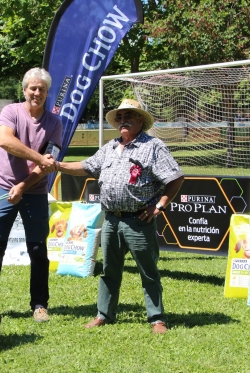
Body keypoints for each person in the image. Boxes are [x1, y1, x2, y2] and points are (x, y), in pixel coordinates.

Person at [57, 99, 184, 334]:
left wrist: (161, 204)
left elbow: (175, 177)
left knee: (148, 271)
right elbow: (86, 166)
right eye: (120, 117)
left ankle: (157, 319)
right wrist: (56, 165)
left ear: (140, 121)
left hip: (139, 220)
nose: (123, 121)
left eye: (129, 116)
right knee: (109, 271)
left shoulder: (153, 146)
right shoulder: (110, 147)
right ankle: (104, 315)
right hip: (111, 220)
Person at [0, 67, 62, 323]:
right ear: (24, 89)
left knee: (37, 248)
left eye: (42, 89)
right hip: (1, 186)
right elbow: (6, 141)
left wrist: (23, 187)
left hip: (34, 191)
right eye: (33, 88)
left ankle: (39, 305)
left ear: (48, 93)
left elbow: (49, 164)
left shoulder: (55, 123)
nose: (37, 93)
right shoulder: (10, 111)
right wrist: (38, 157)